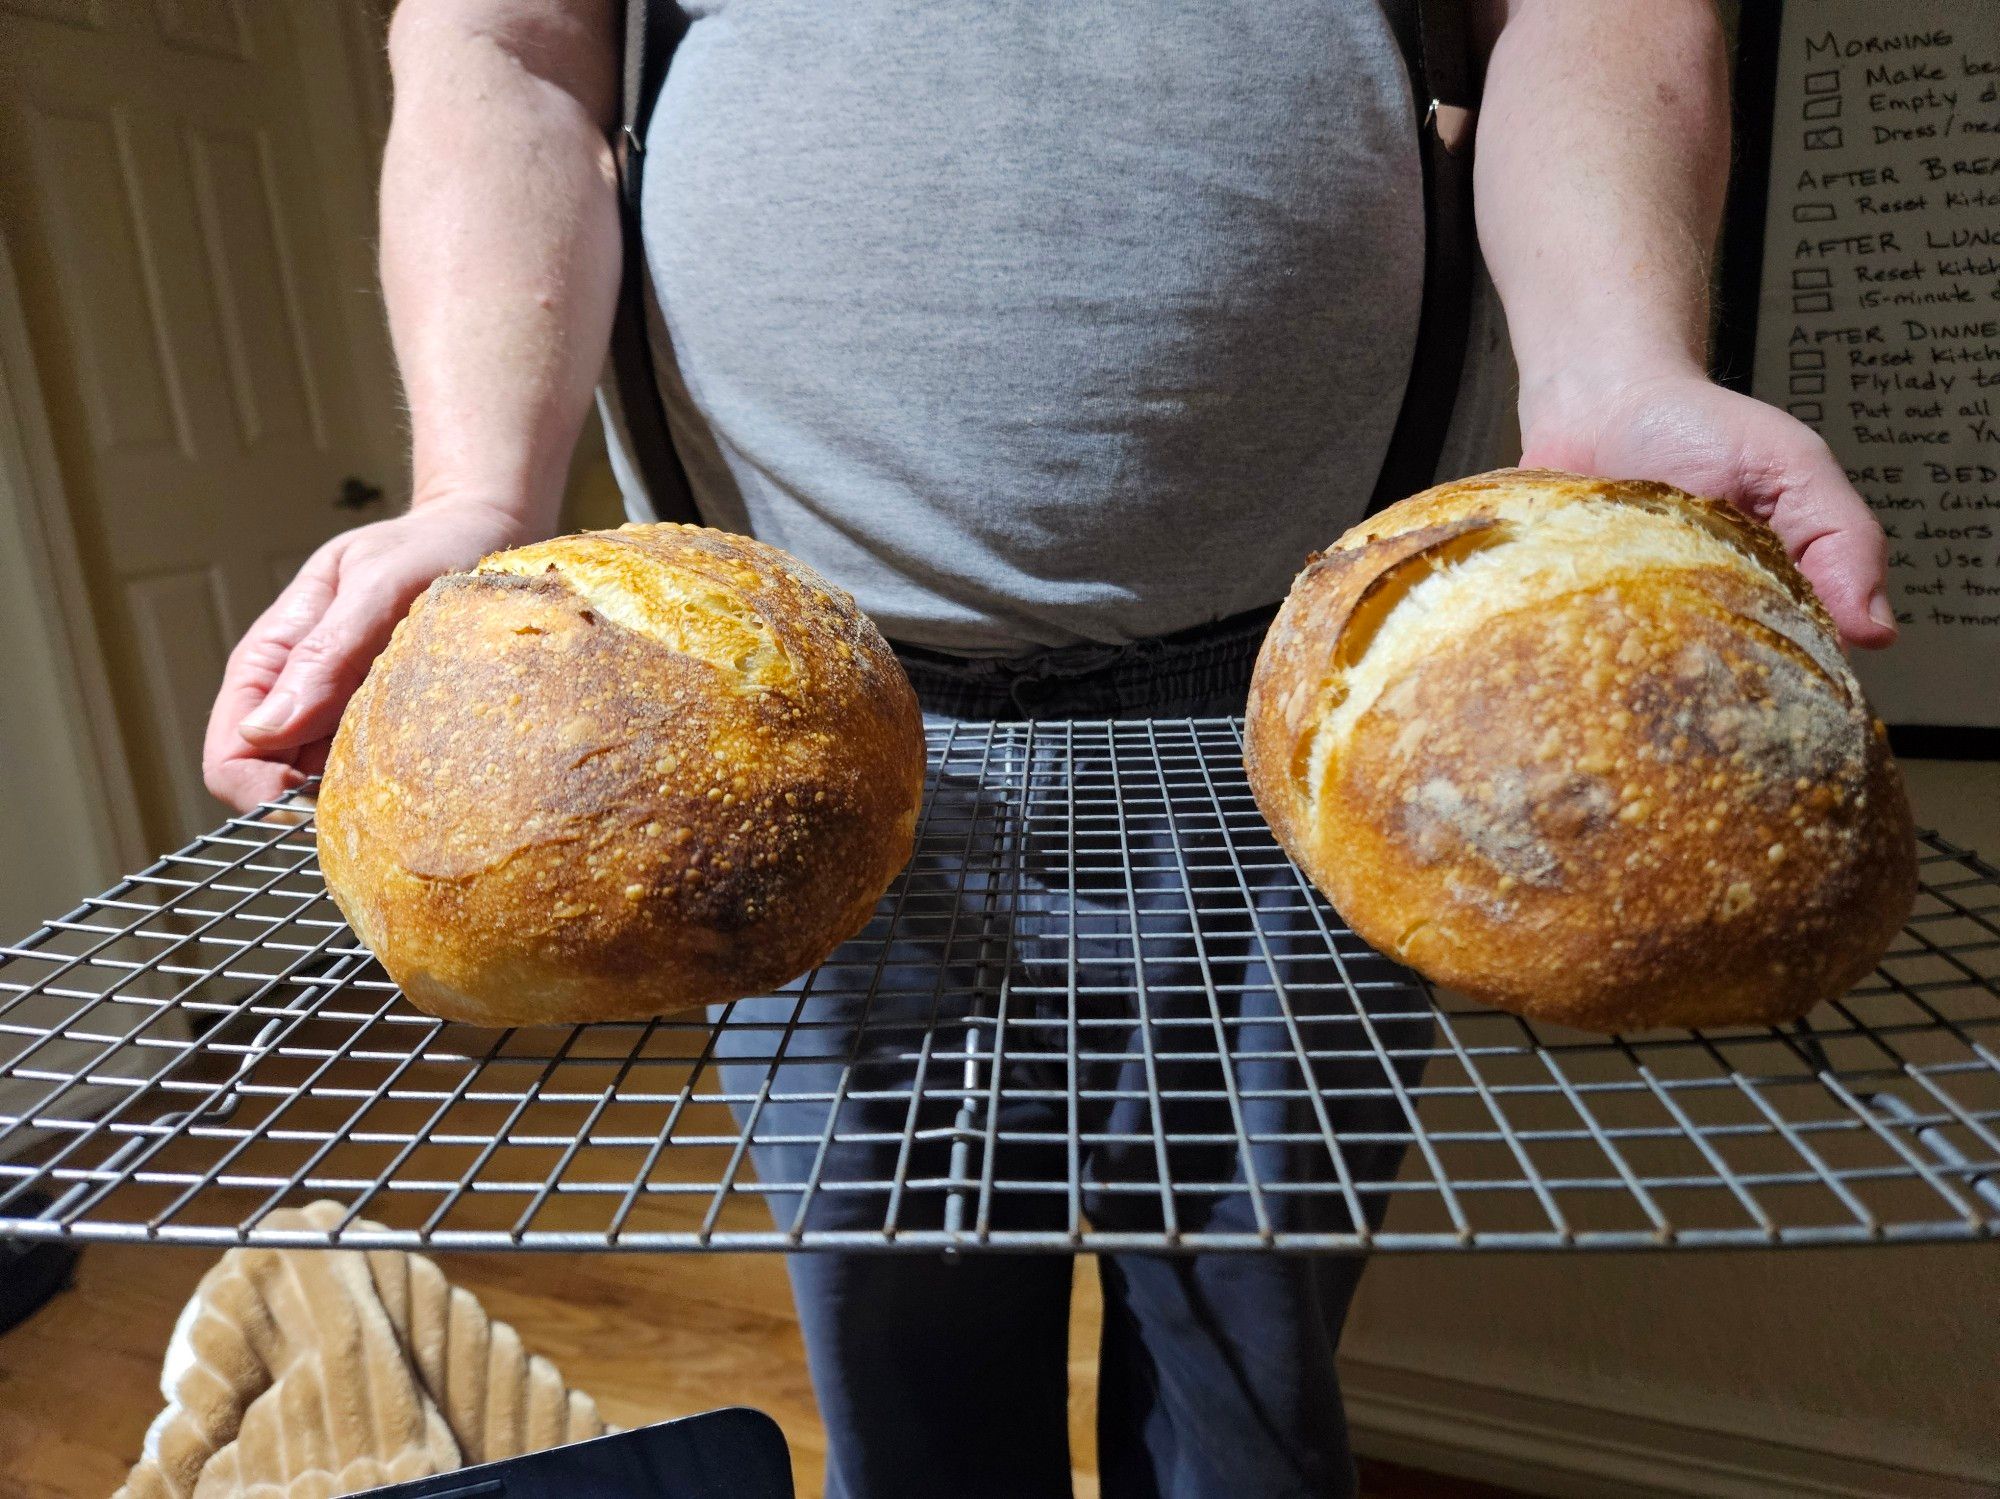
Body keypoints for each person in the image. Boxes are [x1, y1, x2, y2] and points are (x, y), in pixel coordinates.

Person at [203, 3, 1895, 1495]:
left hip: (1330, 732)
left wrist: (1622, 366)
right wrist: (476, 497)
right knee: (905, 1356)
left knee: (1250, 1359)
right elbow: (504, 45)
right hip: (769, 759)